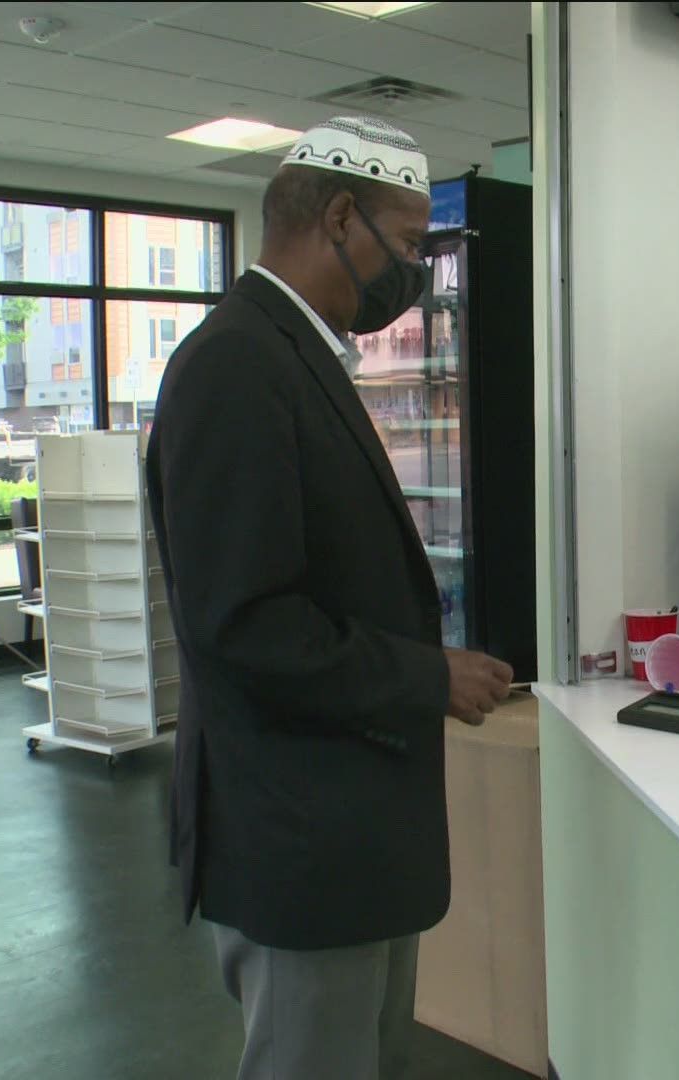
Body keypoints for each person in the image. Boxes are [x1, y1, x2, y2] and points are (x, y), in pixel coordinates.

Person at [147, 116, 514, 1079]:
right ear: (338, 216)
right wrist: (422, 674)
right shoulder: (235, 365)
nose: (411, 276)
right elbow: (245, 625)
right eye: (402, 246)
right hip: (298, 839)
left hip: (351, 836)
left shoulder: (298, 355)